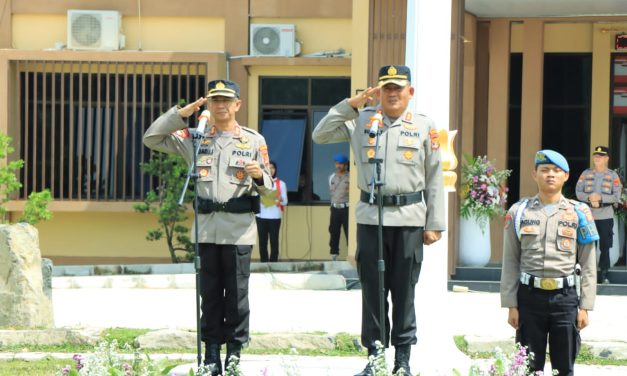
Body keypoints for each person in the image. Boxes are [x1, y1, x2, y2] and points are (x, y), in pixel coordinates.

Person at [313, 65, 445, 376]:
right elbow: (320, 135)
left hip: (410, 219)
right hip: (372, 218)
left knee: (404, 291)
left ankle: (402, 361)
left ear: (409, 92)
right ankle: (374, 358)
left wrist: (434, 222)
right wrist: (352, 104)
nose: (392, 93)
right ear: (378, 92)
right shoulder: (360, 121)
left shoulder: (424, 126)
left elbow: (434, 176)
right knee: (373, 291)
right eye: (386, 88)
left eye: (398, 88)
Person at [143, 79, 272, 375]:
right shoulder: (195, 137)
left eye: (226, 100)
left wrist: (261, 178)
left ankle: (235, 354)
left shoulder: (254, 141)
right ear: (209, 105)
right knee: (209, 294)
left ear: (237, 104)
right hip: (205, 228)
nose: (221, 105)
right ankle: (212, 353)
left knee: (237, 296)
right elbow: (152, 138)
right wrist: (181, 113)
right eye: (215, 100)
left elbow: (272, 196)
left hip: (239, 229)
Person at [500, 150, 598, 376]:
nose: (550, 175)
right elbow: (511, 261)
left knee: (564, 367)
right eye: (545, 170)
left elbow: (589, 264)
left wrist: (585, 306)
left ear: (566, 176)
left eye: (556, 171)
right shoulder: (519, 212)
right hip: (529, 297)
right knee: (529, 366)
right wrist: (511, 304)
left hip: (565, 299)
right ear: (534, 174)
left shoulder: (579, 212)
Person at [575, 146, 623, 284]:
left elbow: (616, 196)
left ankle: (604, 273)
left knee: (605, 247)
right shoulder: (585, 174)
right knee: (588, 246)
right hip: (588, 216)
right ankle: (587, 274)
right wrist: (590, 198)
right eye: (596, 155)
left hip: (605, 216)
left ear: (606, 158)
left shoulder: (613, 176)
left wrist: (600, 198)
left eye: (601, 156)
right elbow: (578, 192)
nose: (597, 157)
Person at [256, 160, 288, 262]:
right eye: (268, 167)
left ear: (275, 169)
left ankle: (274, 262)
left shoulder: (281, 184)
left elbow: (285, 201)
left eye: (272, 167)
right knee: (262, 241)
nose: (271, 170)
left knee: (274, 241)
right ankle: (264, 263)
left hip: (275, 217)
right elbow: (255, 198)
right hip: (261, 216)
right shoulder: (259, 183)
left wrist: (276, 200)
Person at [328, 153, 350, 261]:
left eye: (341, 164)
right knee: (334, 231)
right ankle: (334, 254)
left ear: (345, 165)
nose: (339, 166)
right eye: (337, 163)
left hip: (346, 208)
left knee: (348, 231)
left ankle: (351, 255)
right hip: (335, 208)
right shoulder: (332, 177)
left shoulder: (350, 177)